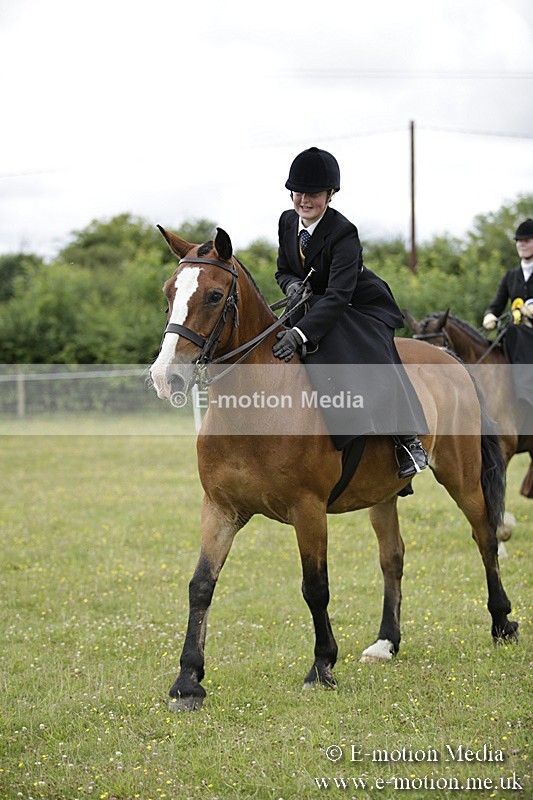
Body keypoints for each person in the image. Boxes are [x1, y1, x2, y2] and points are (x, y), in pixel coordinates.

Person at [272, 146, 428, 479]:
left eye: (313, 194)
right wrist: (290, 287)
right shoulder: (287, 222)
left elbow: (339, 296)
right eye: (298, 192)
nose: (304, 200)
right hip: (310, 304)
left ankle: (407, 439)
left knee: (366, 352)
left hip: (360, 306)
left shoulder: (343, 232)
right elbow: (283, 270)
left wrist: (300, 333)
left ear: (329, 195)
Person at [483, 218, 533, 432]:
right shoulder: (511, 276)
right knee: (505, 336)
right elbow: (496, 304)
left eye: (527, 240)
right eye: (519, 241)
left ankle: (524, 392)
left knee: (514, 331)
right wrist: (490, 316)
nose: (522, 244)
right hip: (515, 335)